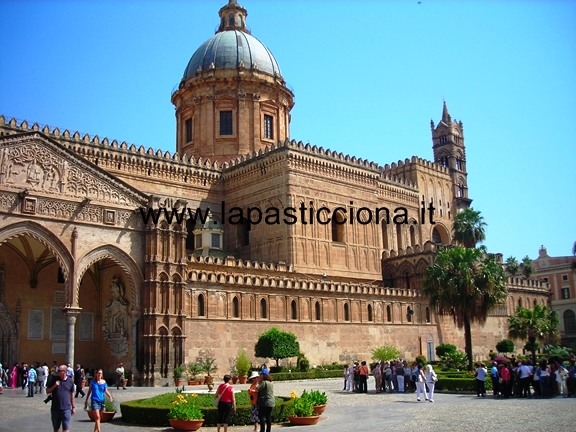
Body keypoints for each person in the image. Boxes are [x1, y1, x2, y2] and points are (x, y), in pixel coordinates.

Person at [47, 364, 76, 432]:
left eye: (59, 371)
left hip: (66, 408)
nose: (57, 372)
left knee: (66, 428)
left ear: (64, 372)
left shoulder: (70, 381)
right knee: (56, 429)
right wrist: (54, 385)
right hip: (55, 408)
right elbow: (47, 391)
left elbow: (72, 395)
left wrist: (73, 407)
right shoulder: (54, 380)